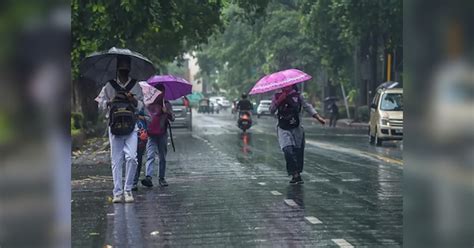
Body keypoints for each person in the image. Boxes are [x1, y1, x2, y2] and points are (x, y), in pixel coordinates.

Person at [96, 55, 143, 203]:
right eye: (121, 69)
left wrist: (133, 99)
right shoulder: (109, 86)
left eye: (126, 69)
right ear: (117, 70)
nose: (123, 72)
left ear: (129, 69)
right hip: (114, 126)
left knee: (132, 158)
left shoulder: (136, 86)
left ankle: (127, 190)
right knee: (116, 160)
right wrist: (110, 102)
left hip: (131, 126)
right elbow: (100, 105)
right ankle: (117, 192)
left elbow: (141, 106)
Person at [270, 85, 325, 184]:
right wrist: (279, 101)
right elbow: (271, 110)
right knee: (288, 150)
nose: (286, 87)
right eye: (284, 85)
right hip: (283, 128)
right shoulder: (277, 96)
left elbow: (307, 106)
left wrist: (318, 117)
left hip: (297, 128)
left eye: (288, 85)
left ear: (292, 85)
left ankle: (297, 174)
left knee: (298, 152)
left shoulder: (298, 96)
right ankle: (294, 173)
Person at [141, 84, 175, 188]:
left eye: (161, 91)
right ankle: (148, 177)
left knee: (162, 156)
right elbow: (143, 115)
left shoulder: (166, 103)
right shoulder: (148, 103)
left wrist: (167, 112)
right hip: (151, 133)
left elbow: (172, 118)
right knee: (150, 155)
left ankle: (161, 178)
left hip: (162, 133)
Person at [132, 110, 148, 191]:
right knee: (136, 161)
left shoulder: (141, 121)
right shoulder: (140, 122)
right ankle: (133, 182)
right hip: (137, 144)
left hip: (139, 145)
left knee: (136, 162)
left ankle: (134, 182)